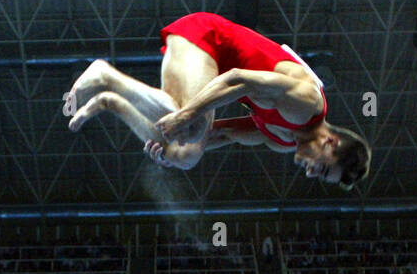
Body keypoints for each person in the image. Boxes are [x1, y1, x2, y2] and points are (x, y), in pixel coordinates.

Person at [66, 12, 371, 186]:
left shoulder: (283, 141)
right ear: (331, 143)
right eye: (323, 168)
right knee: (189, 124)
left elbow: (222, 132)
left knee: (185, 156)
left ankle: (111, 101)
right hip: (209, 39)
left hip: (211, 69)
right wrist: (185, 118)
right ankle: (105, 76)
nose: (310, 172)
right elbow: (238, 78)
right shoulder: (307, 103)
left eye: (319, 177)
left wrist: (168, 151)